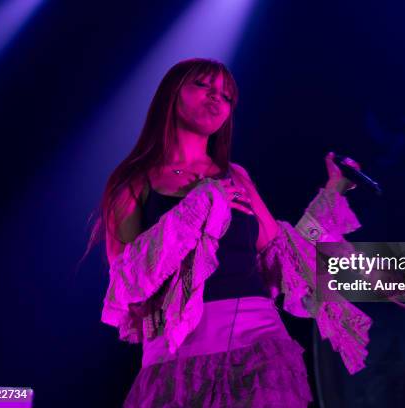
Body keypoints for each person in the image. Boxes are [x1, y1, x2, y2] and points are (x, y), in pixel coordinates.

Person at [87, 58, 372, 407]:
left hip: (257, 340)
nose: (215, 98)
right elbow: (126, 280)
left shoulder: (235, 176)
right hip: (177, 353)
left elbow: (286, 255)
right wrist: (197, 206)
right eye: (204, 86)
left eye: (225, 96)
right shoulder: (134, 180)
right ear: (172, 94)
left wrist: (334, 188)